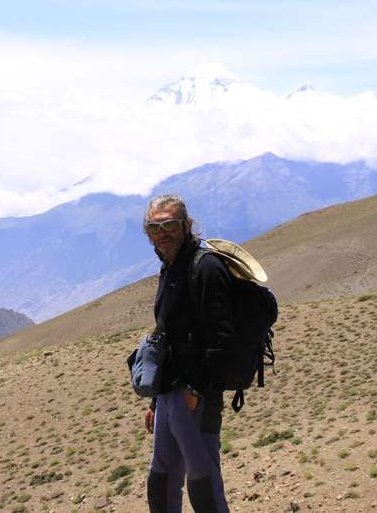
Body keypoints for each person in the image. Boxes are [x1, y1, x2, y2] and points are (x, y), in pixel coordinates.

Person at [142, 194, 235, 513]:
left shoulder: (205, 266)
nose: (161, 233)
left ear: (186, 225)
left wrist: (195, 390)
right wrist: (157, 400)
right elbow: (168, 336)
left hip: (198, 395)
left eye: (169, 224)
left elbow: (222, 339)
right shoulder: (169, 269)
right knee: (161, 481)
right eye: (154, 227)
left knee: (203, 483)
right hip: (169, 395)